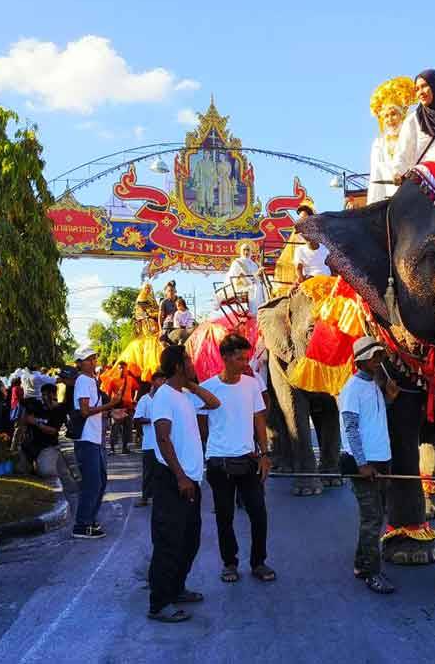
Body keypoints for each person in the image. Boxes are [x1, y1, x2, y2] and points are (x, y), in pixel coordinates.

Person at [148, 345, 221, 623]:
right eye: (188, 360)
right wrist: (179, 476)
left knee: (189, 541)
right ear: (178, 365)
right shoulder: (164, 396)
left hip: (190, 479)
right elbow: (162, 438)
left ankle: (177, 589)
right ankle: (159, 603)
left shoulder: (184, 395)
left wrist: (191, 383)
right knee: (168, 542)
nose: (193, 363)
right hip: (173, 479)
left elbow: (214, 403)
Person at [200, 333, 275, 584]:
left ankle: (258, 562)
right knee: (225, 516)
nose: (245, 363)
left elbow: (259, 419)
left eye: (246, 358)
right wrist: (206, 451)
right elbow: (201, 425)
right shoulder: (208, 387)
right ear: (225, 358)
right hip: (218, 463)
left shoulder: (251, 385)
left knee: (259, 513)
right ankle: (229, 563)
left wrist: (265, 454)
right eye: (240, 358)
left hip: (248, 460)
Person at [339, 337, 400, 593]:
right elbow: (351, 428)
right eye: (375, 357)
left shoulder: (374, 384)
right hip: (364, 464)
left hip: (381, 459)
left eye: (380, 357)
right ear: (362, 360)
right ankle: (372, 574)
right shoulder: (352, 388)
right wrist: (362, 464)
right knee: (372, 518)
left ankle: (361, 564)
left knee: (375, 515)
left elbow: (373, 417)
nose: (379, 361)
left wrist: (390, 399)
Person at [72, 347, 122, 540]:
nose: (92, 362)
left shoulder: (92, 380)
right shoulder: (84, 380)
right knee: (92, 483)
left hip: (95, 438)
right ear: (79, 363)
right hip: (87, 439)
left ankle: (89, 520)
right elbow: (85, 411)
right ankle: (82, 524)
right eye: (88, 360)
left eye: (94, 358)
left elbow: (94, 409)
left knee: (99, 481)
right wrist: (111, 405)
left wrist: (111, 412)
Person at [366, 76, 417, 203]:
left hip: (414, 198)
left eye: (393, 114)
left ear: (402, 115)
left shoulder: (413, 136)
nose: (390, 120)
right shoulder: (379, 144)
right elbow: (375, 177)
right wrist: (372, 206)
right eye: (386, 116)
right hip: (389, 203)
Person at [134, 372, 166, 507]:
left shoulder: (167, 399)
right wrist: (155, 420)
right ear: (153, 382)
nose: (163, 382)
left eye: (165, 380)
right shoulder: (145, 400)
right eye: (160, 380)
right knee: (148, 472)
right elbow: (137, 418)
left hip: (165, 442)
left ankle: (163, 497)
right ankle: (145, 497)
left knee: (165, 472)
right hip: (150, 443)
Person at [21, 383, 67, 468]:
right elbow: (26, 418)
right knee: (20, 469)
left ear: (53, 394)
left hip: (48, 446)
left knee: (46, 471)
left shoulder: (59, 410)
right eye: (42, 394)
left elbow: (53, 431)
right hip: (32, 444)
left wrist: (36, 423)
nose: (43, 397)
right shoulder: (38, 406)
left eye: (45, 395)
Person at [225, 242, 267, 314]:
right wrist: (253, 278)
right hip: (241, 286)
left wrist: (258, 275)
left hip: (253, 284)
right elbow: (237, 276)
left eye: (248, 250)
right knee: (255, 288)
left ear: (250, 251)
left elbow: (255, 278)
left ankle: (262, 310)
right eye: (244, 250)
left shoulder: (254, 264)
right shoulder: (237, 262)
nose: (246, 252)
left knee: (263, 287)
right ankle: (254, 312)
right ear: (241, 251)